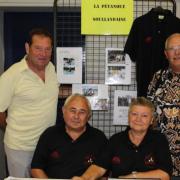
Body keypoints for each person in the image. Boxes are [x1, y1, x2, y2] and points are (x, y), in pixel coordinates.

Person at [0, 28, 59, 177]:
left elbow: (47, 94)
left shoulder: (51, 69)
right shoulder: (13, 74)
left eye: (47, 49)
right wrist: (11, 131)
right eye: (38, 48)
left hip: (47, 146)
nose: (43, 54)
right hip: (20, 148)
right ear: (27, 48)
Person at [73, 97, 172, 180]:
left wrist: (132, 177)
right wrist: (84, 178)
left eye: (144, 116)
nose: (138, 119)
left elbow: (165, 174)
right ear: (128, 117)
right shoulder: (115, 140)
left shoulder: (159, 140)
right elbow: (99, 167)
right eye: (134, 114)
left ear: (151, 120)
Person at [31, 93, 108, 179]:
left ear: (89, 115)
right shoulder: (49, 134)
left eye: (82, 112)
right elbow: (36, 168)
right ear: (63, 111)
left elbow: (103, 173)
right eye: (72, 110)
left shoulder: (99, 138)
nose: (76, 116)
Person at [147, 33, 180, 179]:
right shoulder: (158, 77)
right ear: (166, 54)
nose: (177, 52)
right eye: (173, 48)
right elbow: (148, 111)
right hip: (162, 160)